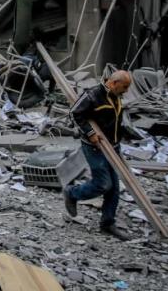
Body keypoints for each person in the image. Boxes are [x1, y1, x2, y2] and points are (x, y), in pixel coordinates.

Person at [63, 70, 133, 241]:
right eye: (124, 87)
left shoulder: (116, 96)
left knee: (114, 188)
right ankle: (72, 193)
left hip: (113, 147)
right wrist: (90, 133)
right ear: (114, 83)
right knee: (103, 184)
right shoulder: (93, 95)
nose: (126, 91)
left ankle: (107, 223)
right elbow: (74, 113)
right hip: (95, 147)